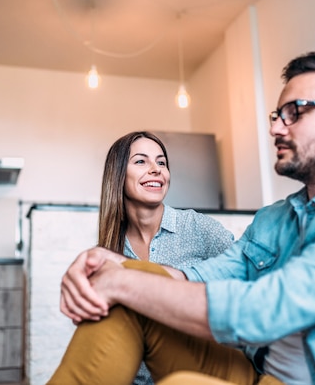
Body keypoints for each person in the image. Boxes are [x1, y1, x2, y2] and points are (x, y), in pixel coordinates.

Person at [50, 52, 315, 384]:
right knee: (135, 291)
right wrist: (108, 264)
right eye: (277, 114)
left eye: (295, 111)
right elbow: (200, 277)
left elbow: (265, 310)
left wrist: (124, 281)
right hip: (259, 373)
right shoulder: (275, 219)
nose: (277, 127)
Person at [96, 130, 235, 384]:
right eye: (141, 161)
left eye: (161, 162)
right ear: (117, 175)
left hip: (194, 375)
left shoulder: (197, 227)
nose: (156, 169)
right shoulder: (109, 249)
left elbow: (244, 276)